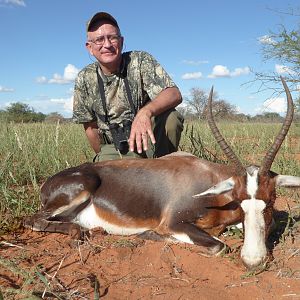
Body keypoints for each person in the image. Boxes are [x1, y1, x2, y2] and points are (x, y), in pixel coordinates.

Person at [73, 12, 184, 161]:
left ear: (121, 40)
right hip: (114, 148)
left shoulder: (140, 60)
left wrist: (145, 112)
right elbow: (90, 127)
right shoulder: (84, 78)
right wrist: (103, 155)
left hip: (148, 141)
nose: (107, 45)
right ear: (89, 47)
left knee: (171, 117)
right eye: (99, 40)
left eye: (112, 37)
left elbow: (174, 93)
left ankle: (163, 165)